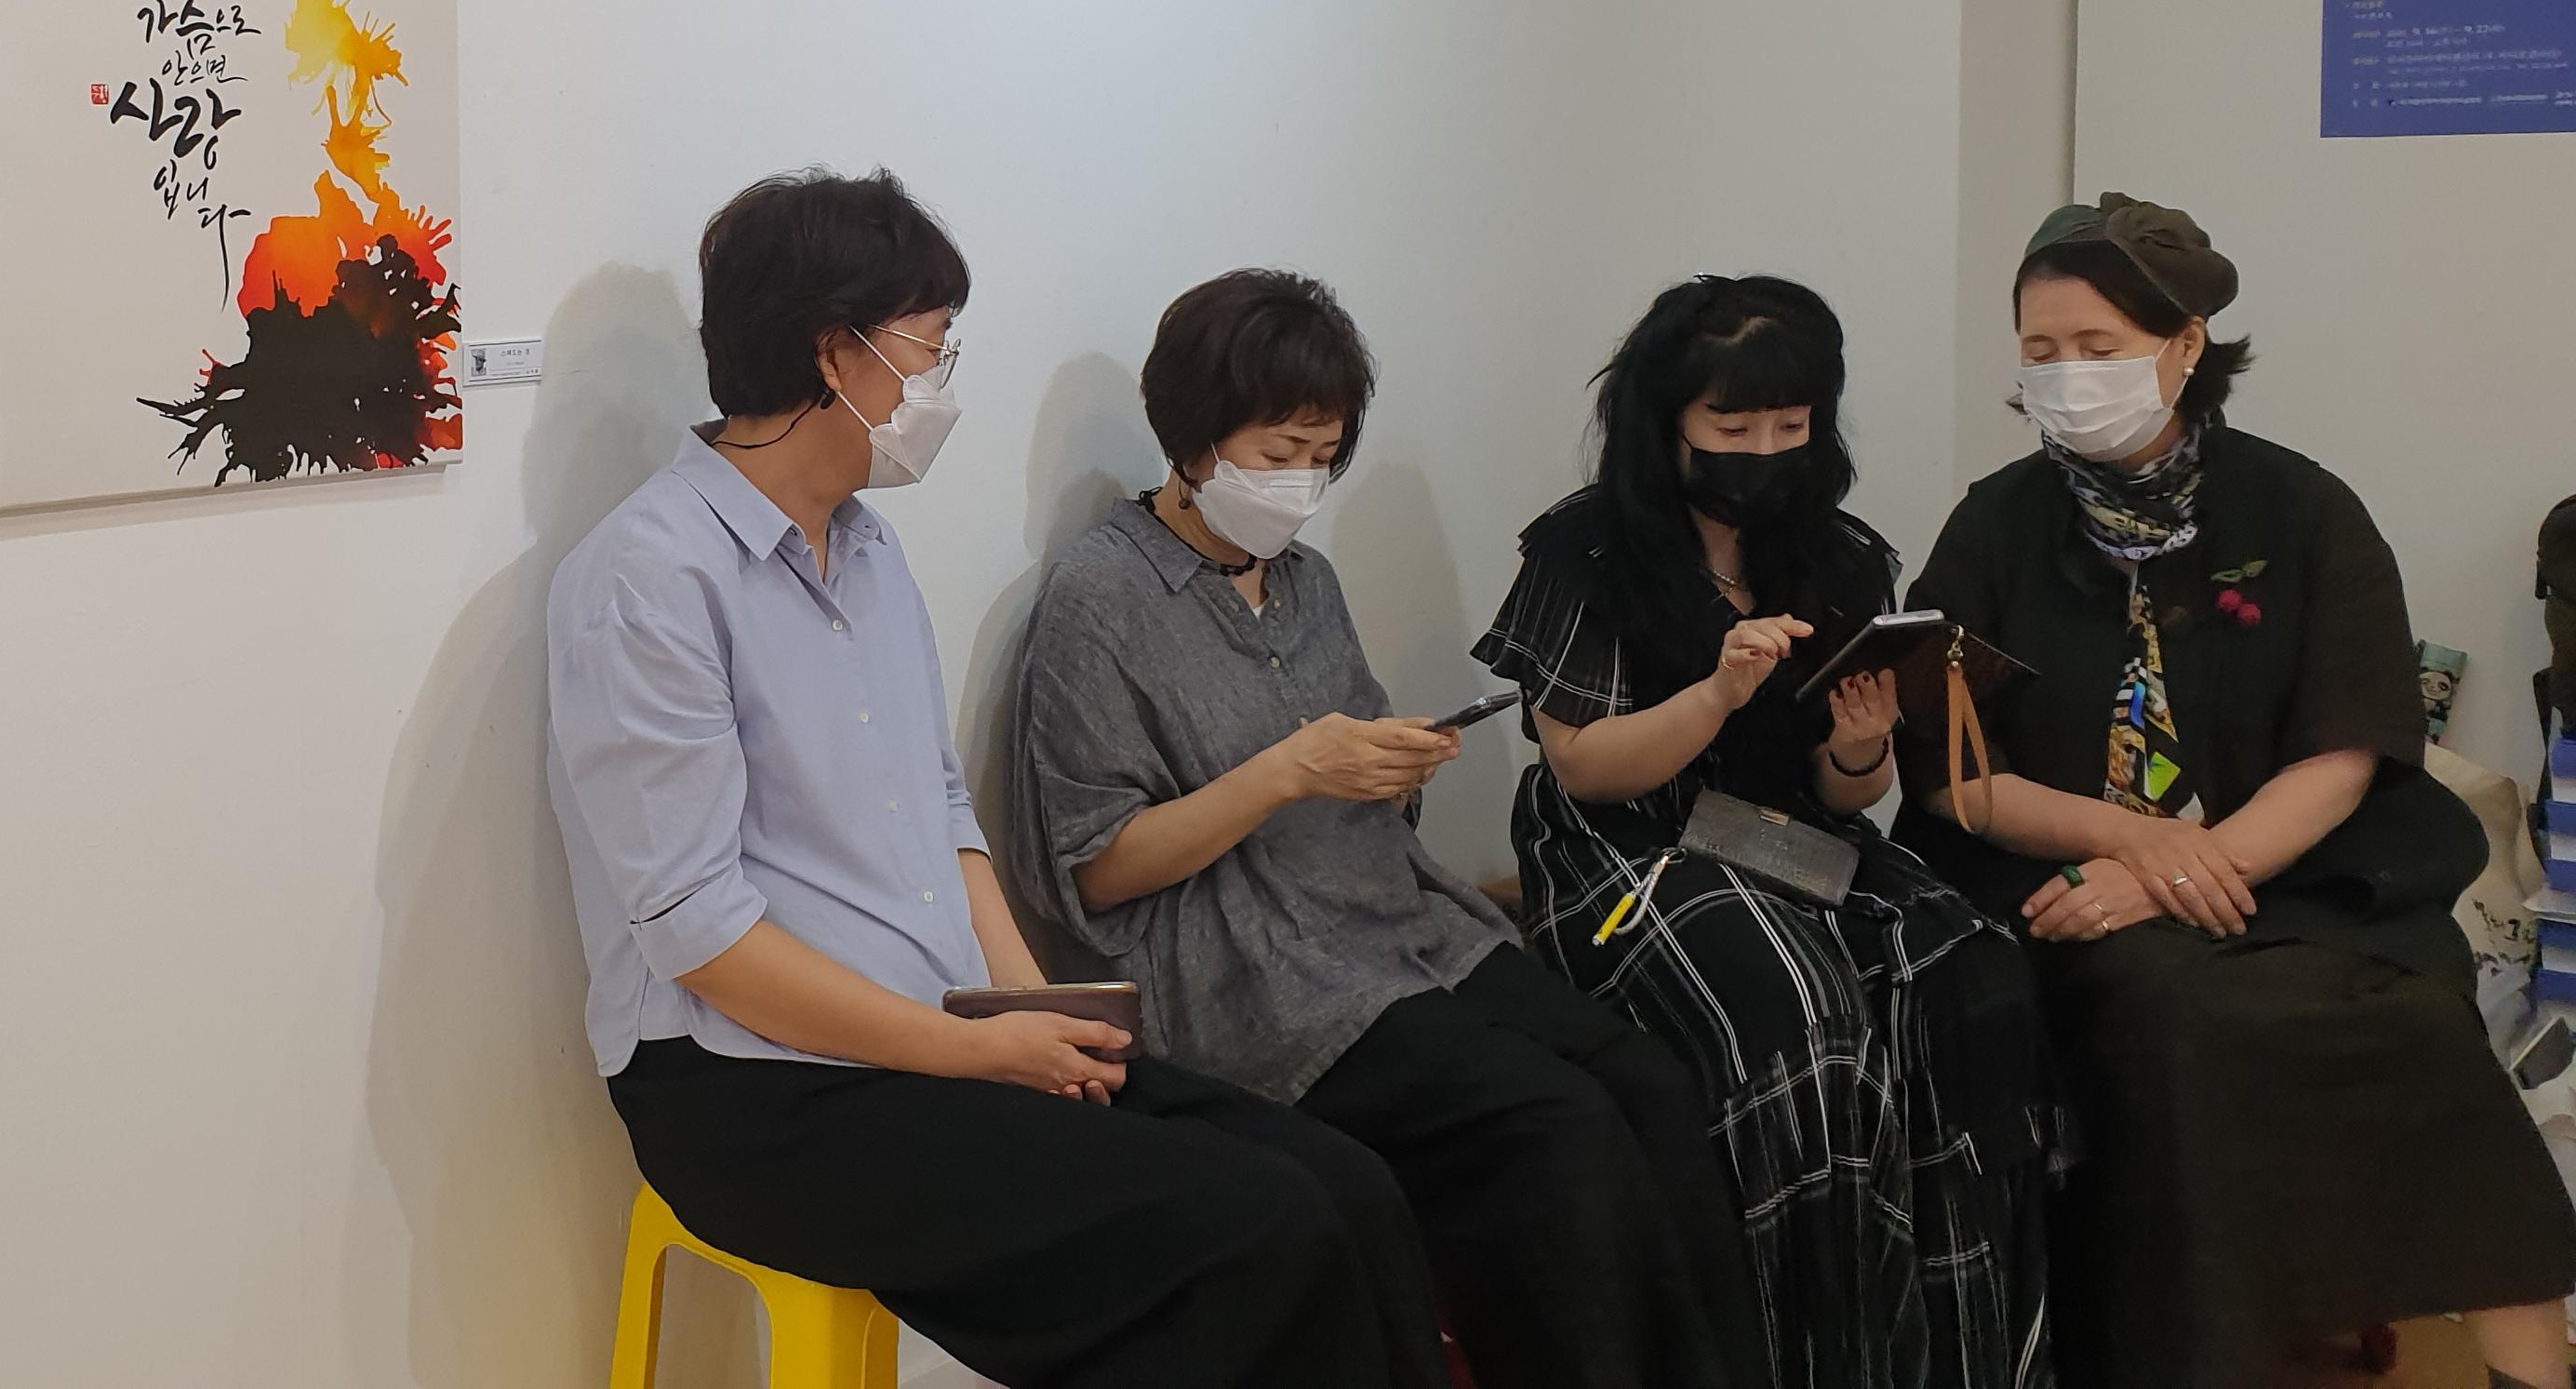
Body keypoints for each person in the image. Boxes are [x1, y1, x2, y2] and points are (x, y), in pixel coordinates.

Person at [544, 172, 1448, 1389]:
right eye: (930, 349)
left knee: (1347, 1185)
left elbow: (942, 812)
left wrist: (1025, 1010)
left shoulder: (867, 551)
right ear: (835, 354)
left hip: (934, 1032)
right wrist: (971, 1054)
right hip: (752, 1091)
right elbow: (702, 936)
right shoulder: (648, 580)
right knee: (1255, 1234)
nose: (941, 385)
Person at [999, 269, 1770, 1389]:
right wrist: (1286, 771)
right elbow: (1099, 869)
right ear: (1193, 438)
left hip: (1398, 927)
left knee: (1648, 1082)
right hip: (1256, 979)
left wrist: (1392, 767)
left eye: (1322, 456)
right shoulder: (1101, 598)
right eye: (1278, 453)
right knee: (1552, 1124)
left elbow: (1351, 768)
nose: (1301, 484)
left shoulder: (1306, 582)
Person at [1897, 195, 2576, 1389]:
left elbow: (2345, 749)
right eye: (2040, 351)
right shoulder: (1994, 526)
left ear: (2186, 345)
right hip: (2064, 885)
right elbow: (1956, 772)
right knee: (2174, 1013)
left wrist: (2198, 867)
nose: (2066, 376)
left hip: (2299, 880)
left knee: (2419, 1022)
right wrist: (2134, 851)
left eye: (2098, 347)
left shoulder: (2302, 509)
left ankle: (2533, 1370)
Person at [1474, 274, 2050, 1389]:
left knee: (1972, 975)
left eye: (1791, 426)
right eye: (1732, 428)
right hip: (1633, 848)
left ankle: (1965, 1356)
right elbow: (1584, 765)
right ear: (1667, 422)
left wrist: (1861, 746)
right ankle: (1815, 1356)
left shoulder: (1838, 556)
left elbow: (1844, 796)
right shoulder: (1584, 552)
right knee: (1801, 1010)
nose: (1764, 453)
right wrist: (1716, 695)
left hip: (1785, 829)